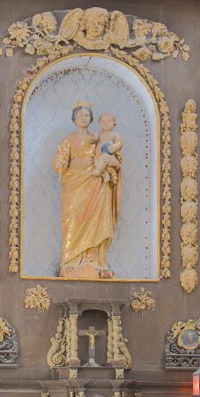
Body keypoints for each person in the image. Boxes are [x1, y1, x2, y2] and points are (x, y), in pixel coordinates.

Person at [53, 103, 121, 280]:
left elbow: (107, 154)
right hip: (74, 182)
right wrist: (59, 163)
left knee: (96, 219)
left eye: (87, 115)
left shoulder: (97, 138)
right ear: (74, 118)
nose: (84, 118)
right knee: (73, 218)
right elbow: (60, 158)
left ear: (91, 119)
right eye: (81, 115)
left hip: (95, 181)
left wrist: (108, 168)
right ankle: (71, 262)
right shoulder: (68, 139)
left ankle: (95, 261)